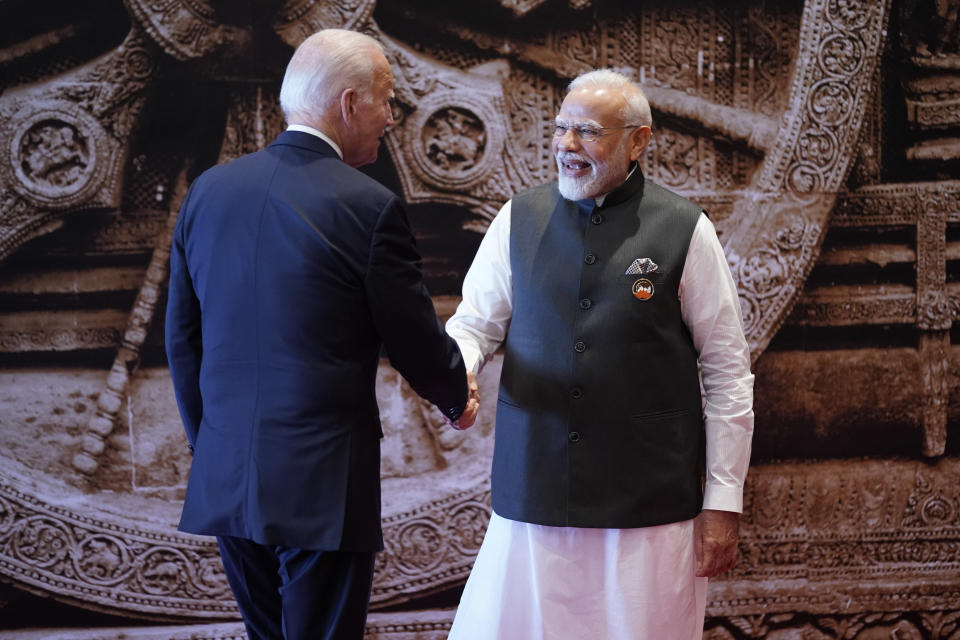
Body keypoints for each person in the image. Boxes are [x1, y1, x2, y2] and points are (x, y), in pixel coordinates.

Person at [165, 29, 479, 640]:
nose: (392, 116)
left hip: (228, 474)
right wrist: (454, 395)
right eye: (387, 100)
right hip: (322, 481)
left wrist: (212, 444)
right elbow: (411, 334)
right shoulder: (369, 207)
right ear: (350, 104)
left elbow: (183, 339)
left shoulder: (207, 193)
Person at [445, 69, 754, 640]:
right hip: (534, 491)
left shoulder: (686, 230)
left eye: (587, 132)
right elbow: (474, 325)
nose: (566, 145)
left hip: (650, 505)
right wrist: (458, 370)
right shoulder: (518, 218)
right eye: (561, 129)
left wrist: (723, 501)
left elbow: (728, 372)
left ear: (639, 140)